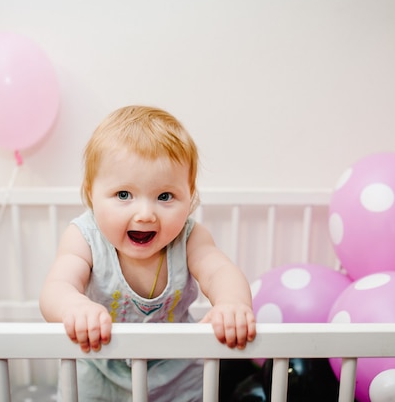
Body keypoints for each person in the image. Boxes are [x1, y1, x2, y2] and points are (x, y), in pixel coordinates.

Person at [39, 105, 256, 401]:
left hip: (178, 374)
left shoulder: (190, 238)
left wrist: (232, 303)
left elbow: (220, 271)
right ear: (91, 193)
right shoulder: (84, 237)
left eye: (165, 196)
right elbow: (57, 286)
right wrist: (74, 307)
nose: (145, 214)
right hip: (99, 371)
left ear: (189, 196)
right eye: (124, 195)